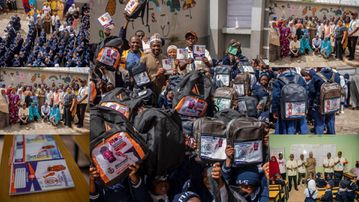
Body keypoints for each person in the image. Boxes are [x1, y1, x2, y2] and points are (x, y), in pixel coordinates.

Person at [272, 67, 308, 134]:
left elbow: (275, 97)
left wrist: (275, 110)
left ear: (281, 69)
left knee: (287, 127)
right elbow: (306, 93)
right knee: (302, 124)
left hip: (285, 109)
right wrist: (306, 107)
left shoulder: (278, 80)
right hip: (300, 107)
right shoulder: (300, 78)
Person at [309, 67, 340, 134]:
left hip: (319, 104)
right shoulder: (336, 75)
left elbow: (312, 91)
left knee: (320, 123)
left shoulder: (316, 76)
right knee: (331, 122)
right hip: (332, 103)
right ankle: (332, 139)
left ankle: (320, 141)